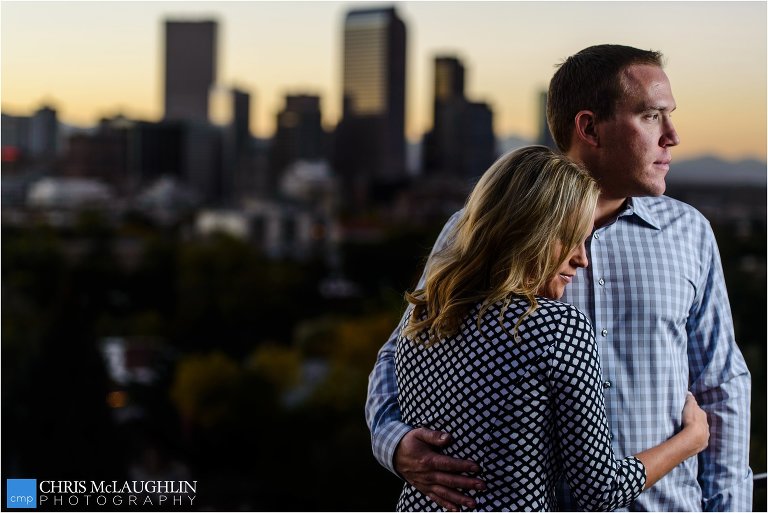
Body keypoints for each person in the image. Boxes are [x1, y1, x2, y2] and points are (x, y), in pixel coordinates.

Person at [366, 44, 753, 511]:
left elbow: (721, 381)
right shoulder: (479, 227)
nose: (672, 135)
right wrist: (395, 443)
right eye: (651, 116)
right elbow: (409, 343)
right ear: (589, 127)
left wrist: (730, 507)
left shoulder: (689, 233)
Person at [394, 145, 709, 511]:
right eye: (572, 238)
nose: (582, 258)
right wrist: (690, 439)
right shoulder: (558, 327)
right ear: (530, 231)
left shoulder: (424, 313)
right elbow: (599, 491)